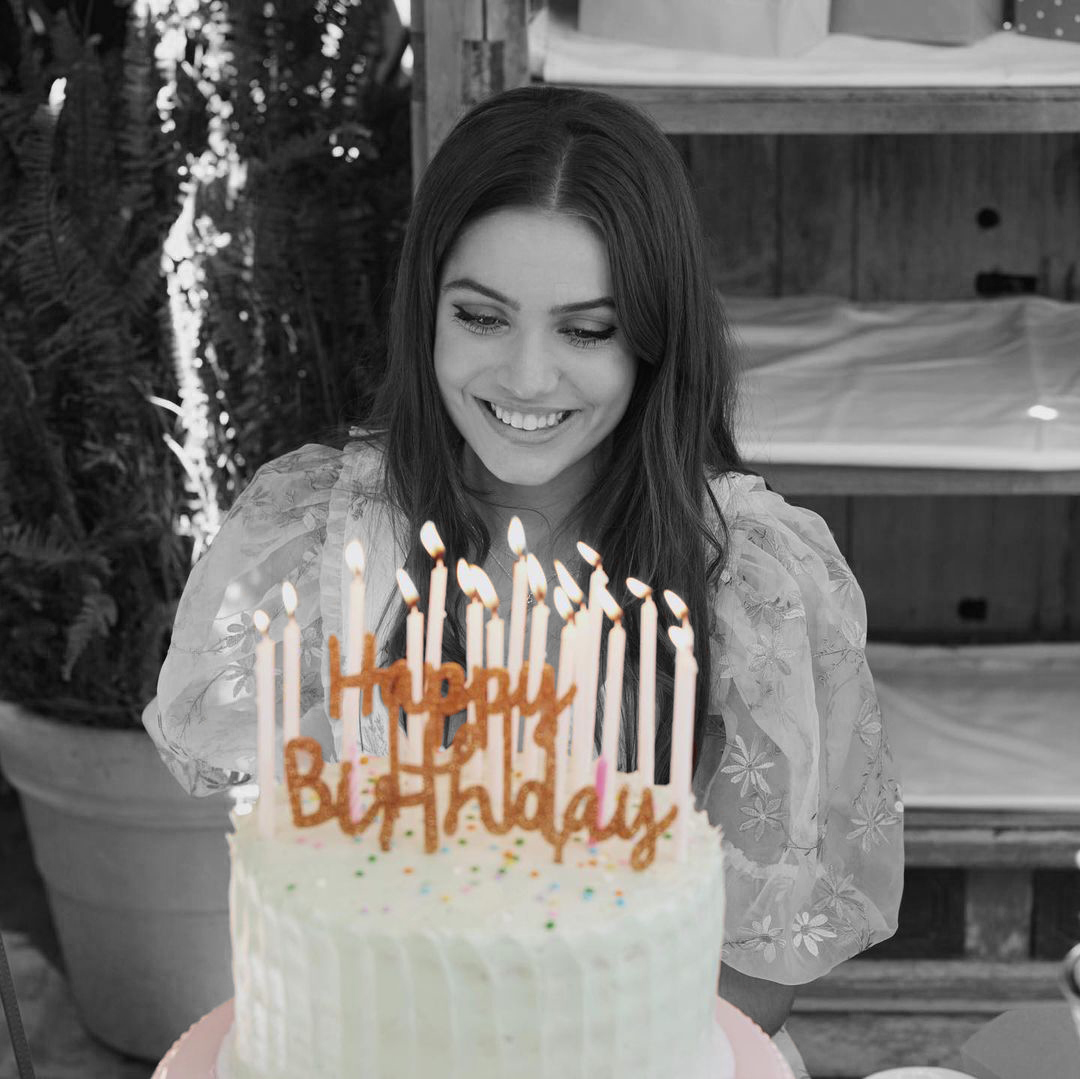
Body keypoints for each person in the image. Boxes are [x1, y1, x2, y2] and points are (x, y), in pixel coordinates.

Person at [145, 84, 903, 1072]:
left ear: (653, 336)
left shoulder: (750, 577)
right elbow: (301, 889)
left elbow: (766, 953)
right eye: (483, 316)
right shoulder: (319, 540)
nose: (529, 378)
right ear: (427, 310)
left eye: (586, 329)